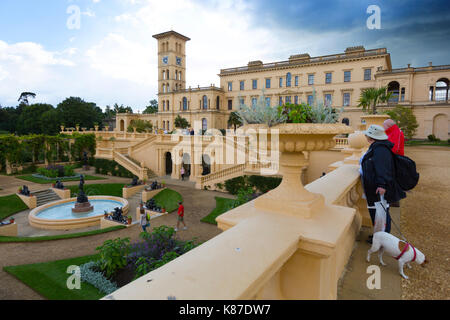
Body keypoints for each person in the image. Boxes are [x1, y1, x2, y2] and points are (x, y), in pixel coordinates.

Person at [360, 125, 406, 244]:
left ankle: (382, 239)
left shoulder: (380, 149)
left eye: (367, 135)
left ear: (372, 137)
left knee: (380, 214)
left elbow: (382, 168)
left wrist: (382, 185)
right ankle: (379, 237)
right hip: (374, 187)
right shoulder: (378, 147)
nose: (366, 137)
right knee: (378, 213)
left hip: (378, 188)